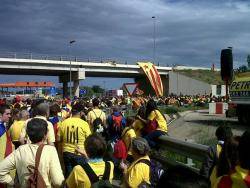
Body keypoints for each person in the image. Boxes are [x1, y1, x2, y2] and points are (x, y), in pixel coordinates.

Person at [0, 118, 64, 187]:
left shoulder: (20, 150)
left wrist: (12, 183)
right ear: (45, 135)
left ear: (28, 134)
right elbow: (58, 181)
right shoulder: (51, 150)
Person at [57, 102, 91, 178]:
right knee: (80, 175)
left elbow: (58, 139)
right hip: (80, 153)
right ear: (81, 112)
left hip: (66, 152)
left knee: (69, 175)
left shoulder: (64, 122)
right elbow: (89, 139)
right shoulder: (84, 124)